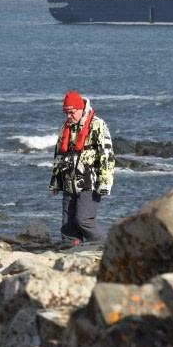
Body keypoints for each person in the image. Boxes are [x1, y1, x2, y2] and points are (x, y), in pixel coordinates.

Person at [50, 91, 115, 243]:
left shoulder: (97, 124)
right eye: (66, 112)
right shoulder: (65, 127)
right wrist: (55, 183)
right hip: (68, 183)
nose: (68, 116)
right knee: (67, 225)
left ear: (80, 109)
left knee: (84, 220)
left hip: (90, 183)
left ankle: (107, 246)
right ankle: (70, 253)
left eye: (71, 112)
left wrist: (105, 182)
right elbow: (58, 156)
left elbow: (107, 155)